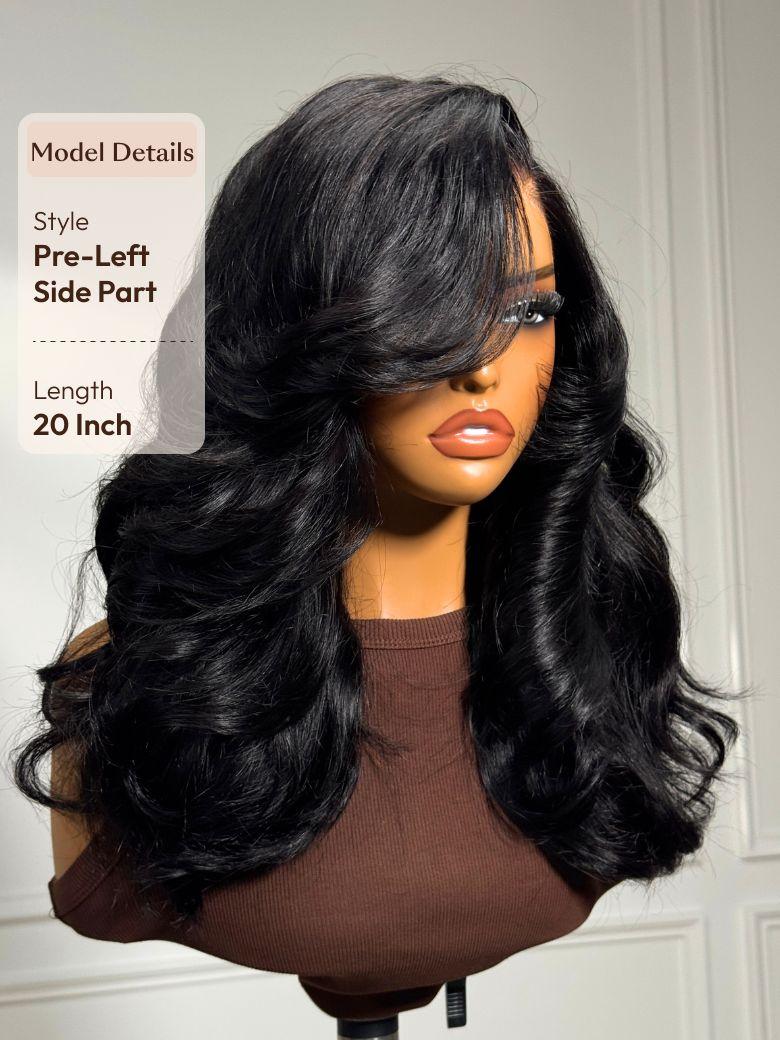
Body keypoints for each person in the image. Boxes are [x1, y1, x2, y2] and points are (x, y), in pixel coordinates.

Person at [12, 73, 746, 1023]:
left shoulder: (598, 644)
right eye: (428, 311)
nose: (483, 367)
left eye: (528, 312)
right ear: (295, 338)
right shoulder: (137, 678)